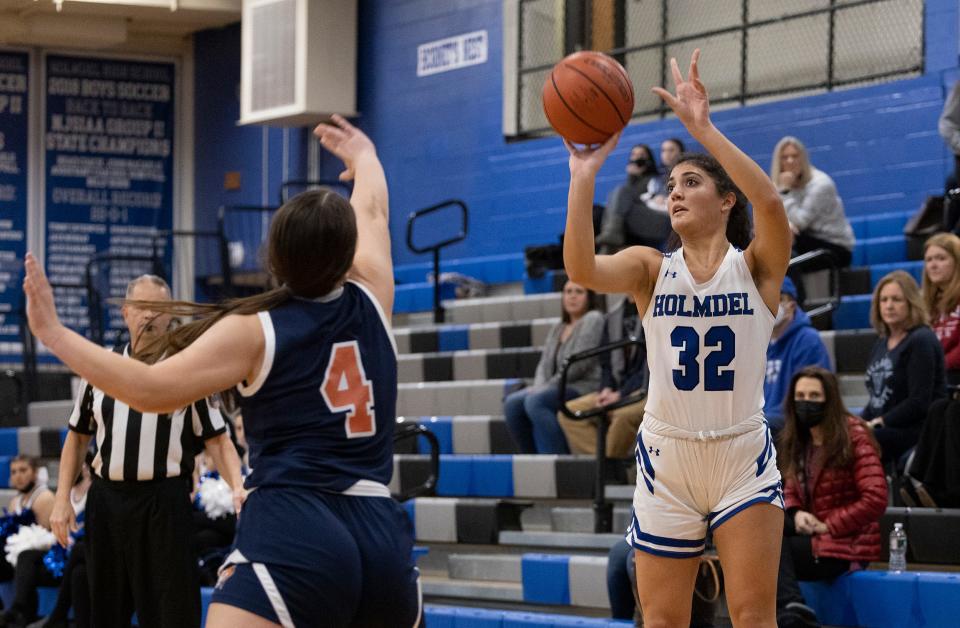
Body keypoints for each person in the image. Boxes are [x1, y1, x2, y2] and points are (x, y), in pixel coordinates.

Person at [23, 115, 422, 628]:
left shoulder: (256, 329)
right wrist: (365, 157)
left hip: (295, 526)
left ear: (274, 255)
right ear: (346, 254)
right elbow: (372, 208)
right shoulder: (375, 293)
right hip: (380, 531)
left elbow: (148, 390)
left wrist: (55, 334)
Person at [562, 50, 792, 626]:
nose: (677, 192)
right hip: (668, 455)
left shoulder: (758, 267)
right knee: (662, 619)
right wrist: (583, 177)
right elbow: (582, 270)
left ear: (726, 198)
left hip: (741, 454)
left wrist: (704, 131)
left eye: (692, 182)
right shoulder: (649, 267)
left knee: (753, 616)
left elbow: (771, 204)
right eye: (672, 185)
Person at [48, 274, 243, 628]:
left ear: (170, 315)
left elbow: (219, 438)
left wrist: (238, 487)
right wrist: (61, 498)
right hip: (107, 501)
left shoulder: (187, 370)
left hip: (163, 503)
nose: (150, 316)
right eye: (142, 307)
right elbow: (77, 437)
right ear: (125, 313)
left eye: (159, 308)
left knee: (171, 610)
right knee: (106, 609)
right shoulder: (101, 369)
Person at [775, 367, 887, 628]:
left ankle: (791, 614)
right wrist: (795, 512)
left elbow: (876, 497)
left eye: (814, 396)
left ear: (831, 399)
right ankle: (789, 612)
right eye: (800, 396)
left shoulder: (853, 435)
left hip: (845, 543)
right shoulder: (798, 436)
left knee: (767, 548)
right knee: (762, 523)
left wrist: (830, 525)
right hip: (811, 531)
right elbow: (789, 484)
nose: (806, 402)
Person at [504, 280, 603, 454]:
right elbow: (543, 364)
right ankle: (533, 460)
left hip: (584, 386)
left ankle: (557, 460)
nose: (572, 296)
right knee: (512, 404)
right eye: (568, 291)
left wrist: (544, 388)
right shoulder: (559, 327)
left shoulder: (593, 318)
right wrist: (539, 386)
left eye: (579, 292)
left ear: (590, 297)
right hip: (556, 386)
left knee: (536, 401)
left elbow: (578, 365)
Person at [862, 271, 946, 468]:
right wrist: (857, 422)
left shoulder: (921, 340)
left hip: (918, 429)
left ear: (910, 302)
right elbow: (876, 399)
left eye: (896, 299)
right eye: (884, 300)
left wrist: (877, 422)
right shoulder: (881, 342)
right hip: (886, 426)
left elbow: (919, 402)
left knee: (858, 442)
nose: (889, 305)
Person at [558, 294, 648, 459]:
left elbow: (650, 365)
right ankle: (608, 463)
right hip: (615, 388)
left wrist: (620, 395)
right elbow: (605, 363)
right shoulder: (612, 316)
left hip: (646, 388)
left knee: (623, 415)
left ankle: (606, 466)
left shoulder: (655, 310)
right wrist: (606, 389)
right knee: (568, 412)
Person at [17, 464, 92, 628]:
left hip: (82, 553)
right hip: (62, 552)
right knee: (26, 556)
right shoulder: (65, 494)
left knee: (78, 567)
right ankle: (20, 611)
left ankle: (56, 616)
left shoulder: (95, 492)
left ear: (87, 468)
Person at [771, 136, 855, 268]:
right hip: (805, 241)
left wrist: (786, 193)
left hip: (835, 248)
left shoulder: (821, 184)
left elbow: (800, 221)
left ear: (803, 158)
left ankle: (791, 289)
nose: (790, 161)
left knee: (784, 245)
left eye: (795, 156)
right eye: (784, 157)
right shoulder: (779, 185)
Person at [764, 277, 831, 433]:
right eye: (766, 298)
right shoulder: (760, 342)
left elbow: (805, 404)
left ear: (791, 306)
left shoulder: (808, 340)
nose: (770, 304)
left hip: (793, 422)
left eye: (778, 298)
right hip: (765, 423)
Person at [595, 144, 668, 251]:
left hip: (659, 222)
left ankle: (611, 233)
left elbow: (655, 201)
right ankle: (604, 250)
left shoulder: (655, 179)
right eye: (634, 154)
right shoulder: (631, 183)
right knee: (599, 211)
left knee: (621, 192)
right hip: (636, 224)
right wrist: (632, 177)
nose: (637, 158)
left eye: (642, 155)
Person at [921, 232, 960, 384]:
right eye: (929, 260)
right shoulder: (924, 302)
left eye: (941, 258)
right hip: (937, 375)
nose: (933, 265)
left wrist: (937, 367)